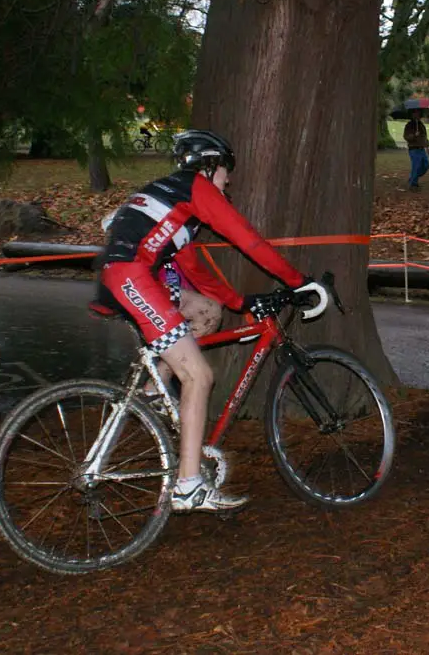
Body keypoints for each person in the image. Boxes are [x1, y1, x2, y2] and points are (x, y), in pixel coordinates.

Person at [95, 129, 327, 513]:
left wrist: (240, 301)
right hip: (130, 277)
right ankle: (188, 486)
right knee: (200, 375)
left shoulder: (175, 202)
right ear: (208, 165)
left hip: (129, 277)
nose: (229, 179)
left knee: (205, 312)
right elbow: (247, 240)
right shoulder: (196, 189)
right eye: (226, 170)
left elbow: (194, 271)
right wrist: (298, 282)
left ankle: (155, 393)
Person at [403, 109, 429, 191]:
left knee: (426, 165)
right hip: (414, 149)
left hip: (422, 149)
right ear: (412, 115)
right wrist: (414, 135)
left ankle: (412, 177)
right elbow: (406, 136)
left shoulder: (421, 125)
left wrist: (427, 146)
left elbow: (425, 137)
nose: (417, 115)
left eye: (418, 114)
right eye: (415, 113)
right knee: (416, 166)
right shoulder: (409, 125)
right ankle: (413, 184)